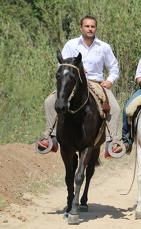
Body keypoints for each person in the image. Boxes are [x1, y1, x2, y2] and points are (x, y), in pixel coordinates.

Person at [37, 15, 121, 158]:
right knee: (49, 101)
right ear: (81, 28)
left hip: (96, 82)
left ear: (95, 28)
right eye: (87, 26)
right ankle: (50, 136)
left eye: (92, 26)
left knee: (115, 107)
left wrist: (110, 80)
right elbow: (62, 64)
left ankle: (112, 142)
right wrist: (73, 72)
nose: (90, 29)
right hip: (73, 82)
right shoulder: (71, 44)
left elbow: (114, 67)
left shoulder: (104, 47)